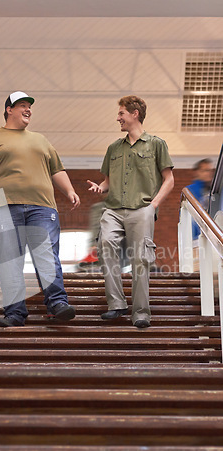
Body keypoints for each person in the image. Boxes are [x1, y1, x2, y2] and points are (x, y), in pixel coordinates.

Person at [0, 91, 80, 327]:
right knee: (9, 260)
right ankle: (15, 313)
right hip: (2, 207)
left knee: (46, 254)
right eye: (23, 105)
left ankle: (57, 303)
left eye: (30, 107)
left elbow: (57, 169)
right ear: (9, 110)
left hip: (42, 207)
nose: (28, 110)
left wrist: (70, 190)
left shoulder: (41, 140)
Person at [87, 95, 174, 328]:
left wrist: (153, 205)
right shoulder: (114, 148)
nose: (118, 118)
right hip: (113, 209)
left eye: (121, 113)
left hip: (142, 208)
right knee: (105, 246)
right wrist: (100, 187)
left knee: (140, 259)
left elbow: (170, 179)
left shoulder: (156, 144)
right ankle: (116, 304)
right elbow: (107, 181)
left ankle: (141, 313)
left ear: (135, 114)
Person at [186, 158, 214, 240]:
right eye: (205, 170)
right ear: (197, 172)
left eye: (210, 170)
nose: (209, 173)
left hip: (213, 235)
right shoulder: (190, 190)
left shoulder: (215, 190)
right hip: (196, 236)